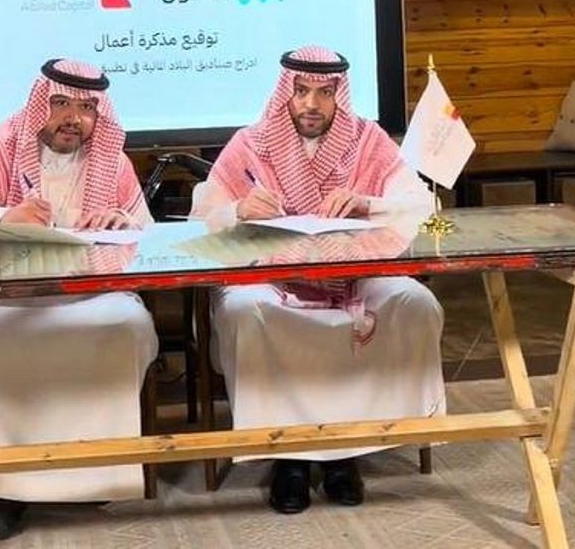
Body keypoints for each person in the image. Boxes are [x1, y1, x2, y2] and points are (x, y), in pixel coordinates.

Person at [0, 59, 158, 541]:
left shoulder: (112, 161)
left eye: (86, 108)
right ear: (41, 103)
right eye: (60, 103)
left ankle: (91, 473)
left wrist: (124, 224)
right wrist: (0, 217)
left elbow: (149, 237)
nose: (73, 119)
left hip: (86, 297)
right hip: (2, 300)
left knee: (128, 325)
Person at [190, 45, 445, 514]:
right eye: (302, 91)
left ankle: (349, 449)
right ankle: (287, 456)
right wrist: (238, 209)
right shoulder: (251, 143)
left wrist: (368, 203)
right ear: (285, 93)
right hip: (272, 280)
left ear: (338, 96)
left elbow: (421, 206)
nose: (312, 104)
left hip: (354, 276)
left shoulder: (367, 141)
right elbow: (201, 218)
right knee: (244, 309)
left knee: (415, 302)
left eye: (324, 93)